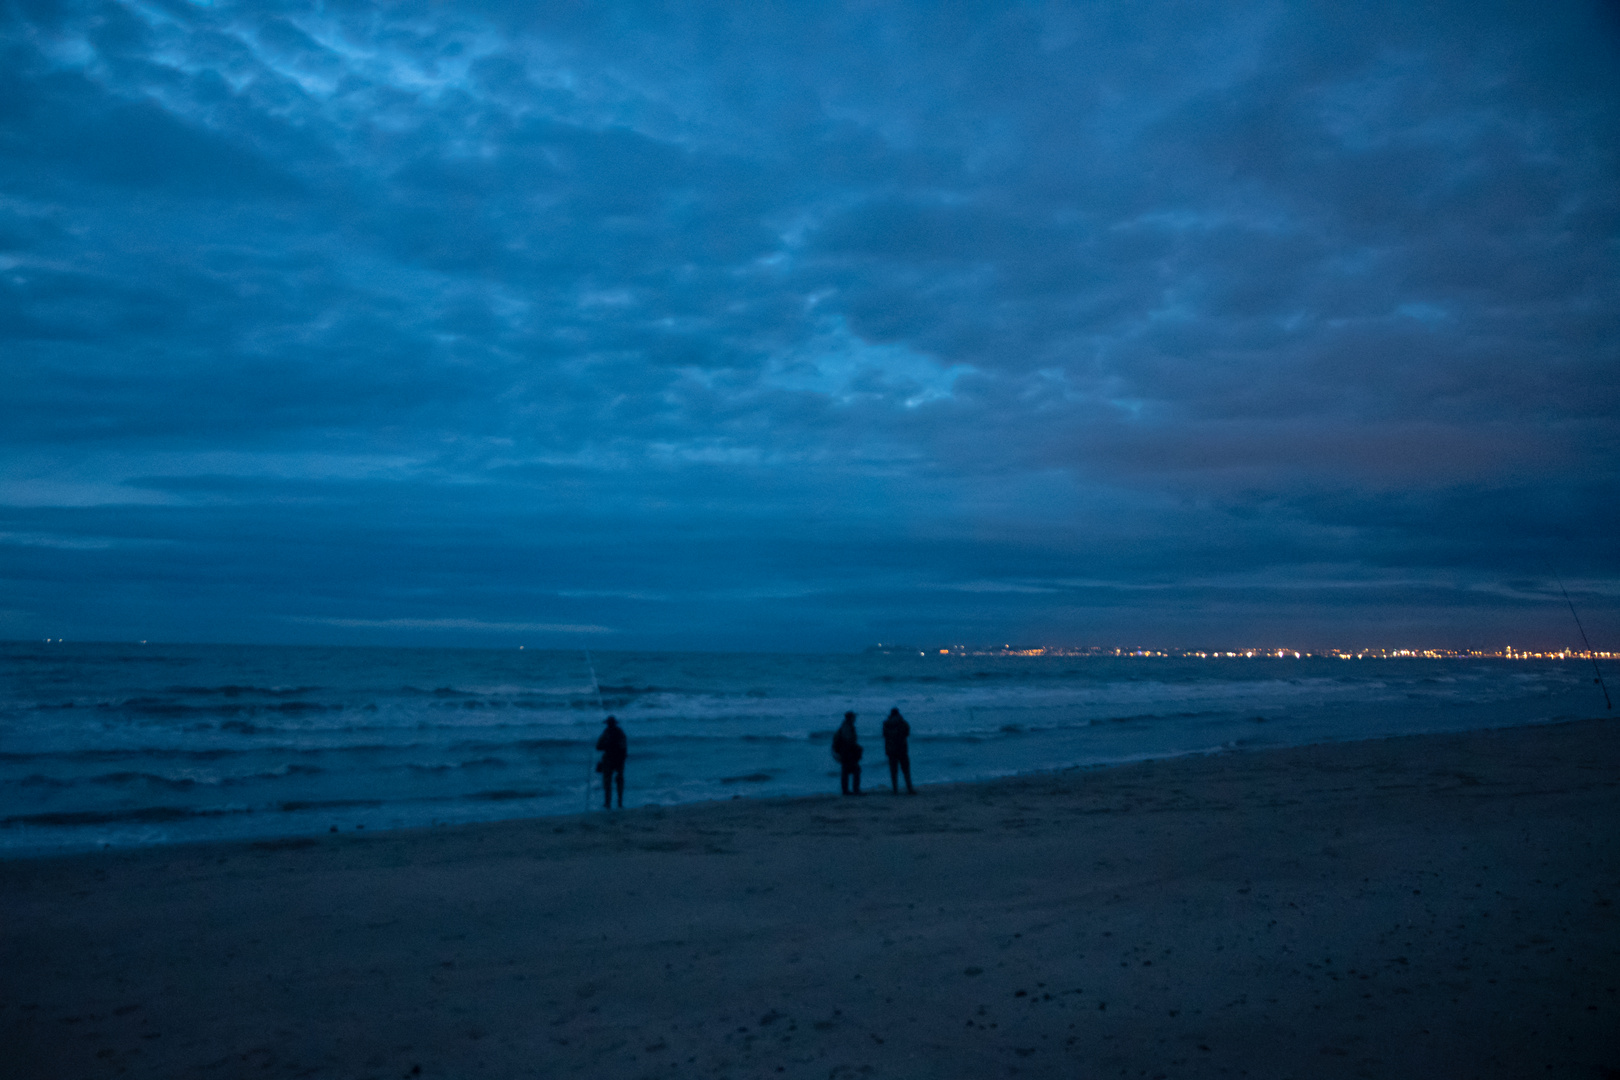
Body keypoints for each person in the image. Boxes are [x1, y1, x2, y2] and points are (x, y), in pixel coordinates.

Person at [595, 715, 627, 808]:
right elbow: (624, 747)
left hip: (612, 759)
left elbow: (598, 746)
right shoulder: (619, 733)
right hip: (616, 759)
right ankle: (617, 802)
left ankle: (610, 802)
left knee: (609, 782)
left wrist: (607, 746)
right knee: (617, 781)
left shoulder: (608, 733)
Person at [882, 707, 915, 794]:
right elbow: (907, 732)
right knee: (906, 770)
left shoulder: (886, 724)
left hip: (891, 750)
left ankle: (895, 789)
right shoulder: (902, 723)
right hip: (901, 749)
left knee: (893, 771)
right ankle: (909, 788)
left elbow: (884, 735)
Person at [831, 711, 863, 795]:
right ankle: (853, 790)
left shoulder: (846, 726)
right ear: (850, 718)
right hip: (847, 753)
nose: (855, 719)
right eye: (853, 717)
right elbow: (849, 741)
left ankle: (847, 790)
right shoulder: (847, 727)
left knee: (847, 771)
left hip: (846, 753)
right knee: (855, 770)